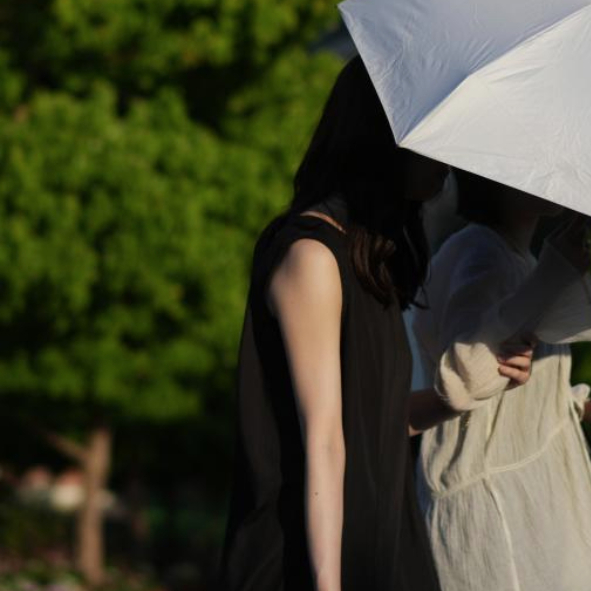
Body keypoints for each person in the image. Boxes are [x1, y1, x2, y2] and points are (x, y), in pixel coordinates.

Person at [220, 58, 533, 591]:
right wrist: (328, 583)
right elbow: (323, 439)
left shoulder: (369, 262)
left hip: (379, 540)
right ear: (384, 136)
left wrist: (459, 395)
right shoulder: (312, 257)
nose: (447, 161)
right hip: (310, 557)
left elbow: (371, 421)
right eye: (431, 138)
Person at [411, 169, 591, 591]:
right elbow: (465, 380)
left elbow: (506, 390)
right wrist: (554, 275)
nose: (556, 175)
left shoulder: (514, 258)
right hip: (492, 520)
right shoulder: (479, 253)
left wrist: (590, 409)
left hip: (525, 515)